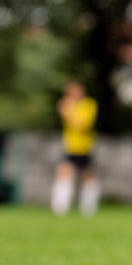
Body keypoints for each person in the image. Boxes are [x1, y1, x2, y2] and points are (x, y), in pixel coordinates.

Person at [51, 81, 100, 217]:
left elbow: (82, 124)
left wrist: (68, 112)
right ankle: (60, 207)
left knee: (88, 175)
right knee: (64, 172)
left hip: (86, 146)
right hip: (70, 145)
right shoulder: (66, 104)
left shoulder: (89, 104)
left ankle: (88, 208)